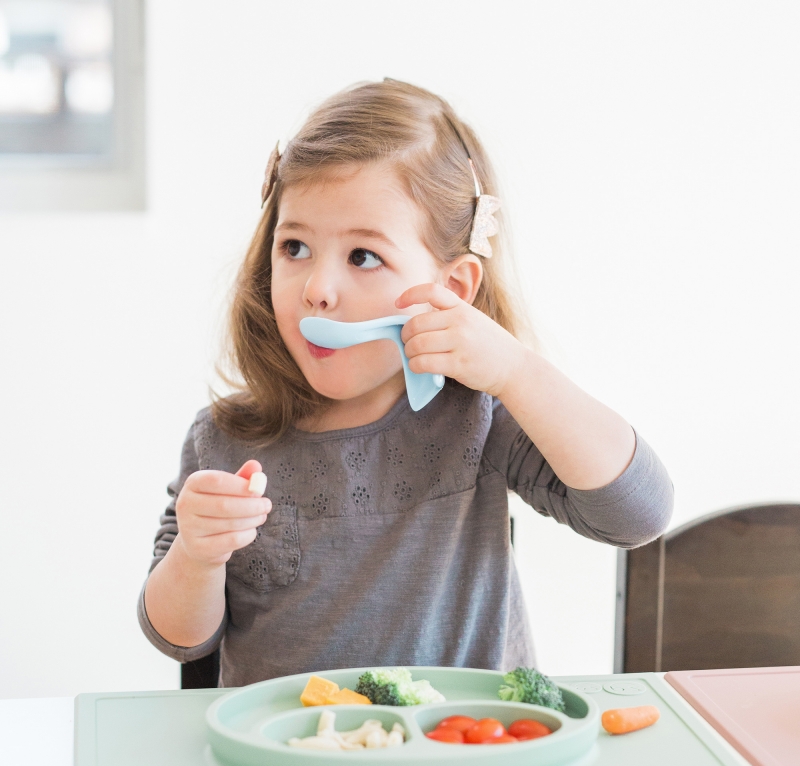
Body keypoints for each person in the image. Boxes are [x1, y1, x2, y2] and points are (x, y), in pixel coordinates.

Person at [139, 79, 673, 688]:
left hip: (462, 761)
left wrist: (517, 370)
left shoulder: (477, 417)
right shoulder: (225, 439)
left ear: (452, 290)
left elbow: (638, 515)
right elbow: (178, 639)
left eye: (363, 256)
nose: (317, 287)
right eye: (295, 247)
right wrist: (198, 556)